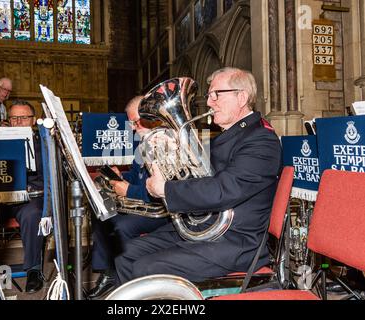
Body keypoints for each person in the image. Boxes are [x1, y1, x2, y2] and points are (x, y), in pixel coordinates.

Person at [115, 67, 282, 284]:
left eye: (216, 95)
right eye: (209, 95)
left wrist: (165, 189)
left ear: (241, 97)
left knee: (146, 268)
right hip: (202, 228)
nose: (209, 102)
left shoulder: (262, 140)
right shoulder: (227, 136)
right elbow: (197, 177)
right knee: (123, 253)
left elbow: (223, 189)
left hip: (234, 241)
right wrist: (170, 150)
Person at [87, 96, 170, 299]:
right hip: (144, 203)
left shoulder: (169, 143)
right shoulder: (143, 143)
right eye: (131, 122)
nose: (133, 128)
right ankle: (107, 271)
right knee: (102, 214)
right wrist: (121, 176)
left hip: (163, 211)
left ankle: (115, 277)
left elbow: (165, 191)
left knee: (121, 226)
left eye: (136, 122)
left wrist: (129, 191)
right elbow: (136, 175)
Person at [0, 100, 45, 293]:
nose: (18, 122)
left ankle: (34, 270)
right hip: (0, 197)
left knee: (32, 213)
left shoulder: (43, 143)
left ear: (33, 120)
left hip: (29, 198)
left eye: (23, 118)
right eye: (14, 118)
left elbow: (46, 179)